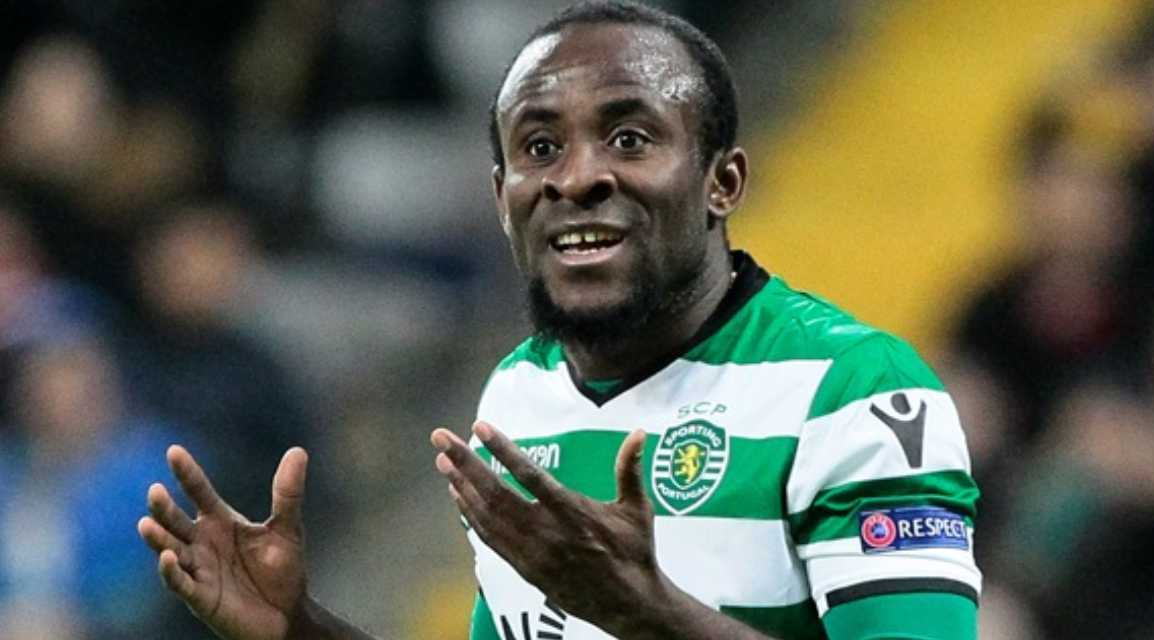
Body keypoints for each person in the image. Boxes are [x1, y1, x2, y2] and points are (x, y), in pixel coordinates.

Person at [137, 2, 982, 638]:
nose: (576, 178)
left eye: (630, 138)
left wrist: (648, 616)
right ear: (500, 199)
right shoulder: (520, 394)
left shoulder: (855, 391)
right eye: (540, 147)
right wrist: (300, 628)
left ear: (722, 182)